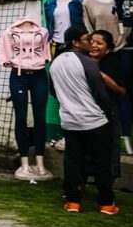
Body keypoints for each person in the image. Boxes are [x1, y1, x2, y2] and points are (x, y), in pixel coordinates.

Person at [49, 25, 119, 215]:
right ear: (76, 42)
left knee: (73, 162)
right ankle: (106, 204)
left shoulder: (55, 64)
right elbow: (100, 93)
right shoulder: (87, 63)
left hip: (70, 122)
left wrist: (69, 102)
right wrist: (108, 113)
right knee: (101, 163)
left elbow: (53, 91)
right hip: (95, 121)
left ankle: (73, 202)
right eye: (87, 39)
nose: (90, 42)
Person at [87, 30, 126, 180]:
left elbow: (121, 90)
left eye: (99, 43)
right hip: (87, 111)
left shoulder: (113, 62)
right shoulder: (83, 60)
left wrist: (98, 73)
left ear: (108, 47)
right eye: (91, 42)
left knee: (109, 150)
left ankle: (107, 190)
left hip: (108, 112)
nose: (94, 46)